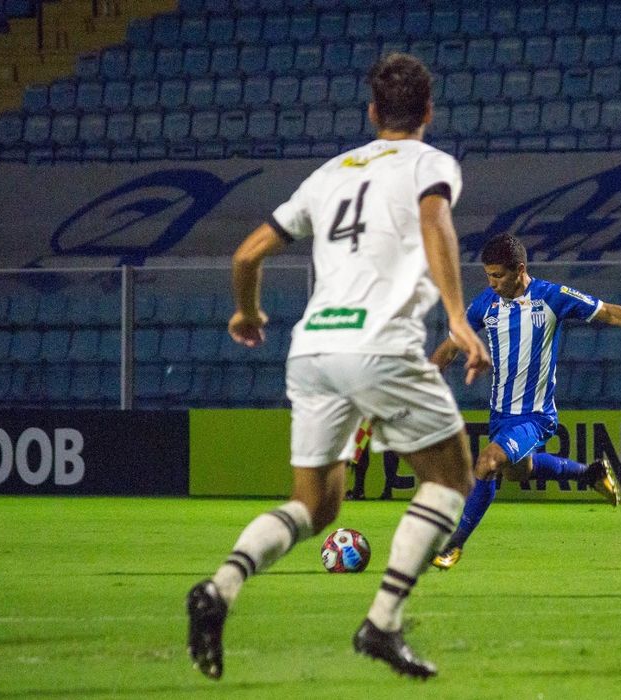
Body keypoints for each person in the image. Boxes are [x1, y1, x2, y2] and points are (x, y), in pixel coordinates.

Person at [186, 53, 491, 681]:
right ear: (428, 112)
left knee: (314, 506)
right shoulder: (430, 164)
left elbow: (247, 255)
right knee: (451, 478)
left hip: (314, 349)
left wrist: (247, 314)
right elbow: (435, 221)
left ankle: (219, 588)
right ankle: (381, 622)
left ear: (373, 112)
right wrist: (458, 317)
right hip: (379, 346)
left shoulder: (329, 174)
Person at [429, 233, 621, 570]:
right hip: (501, 415)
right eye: (488, 276)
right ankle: (589, 474)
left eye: (498, 276)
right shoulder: (485, 304)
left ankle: (453, 545)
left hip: (535, 416)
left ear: (520, 270)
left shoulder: (551, 297)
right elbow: (451, 346)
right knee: (517, 473)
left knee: (487, 463)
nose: (492, 283)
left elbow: (609, 313)